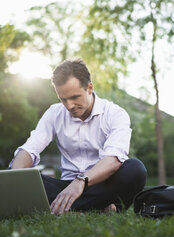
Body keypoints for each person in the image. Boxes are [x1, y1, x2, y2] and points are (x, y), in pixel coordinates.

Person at [10, 58, 147, 215]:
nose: (69, 106)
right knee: (24, 175)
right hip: (65, 187)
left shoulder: (115, 114)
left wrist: (81, 181)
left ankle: (62, 207)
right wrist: (16, 179)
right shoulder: (54, 113)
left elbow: (114, 159)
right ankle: (97, 208)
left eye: (75, 97)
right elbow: (30, 148)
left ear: (89, 88)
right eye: (63, 99)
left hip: (102, 184)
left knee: (135, 169)